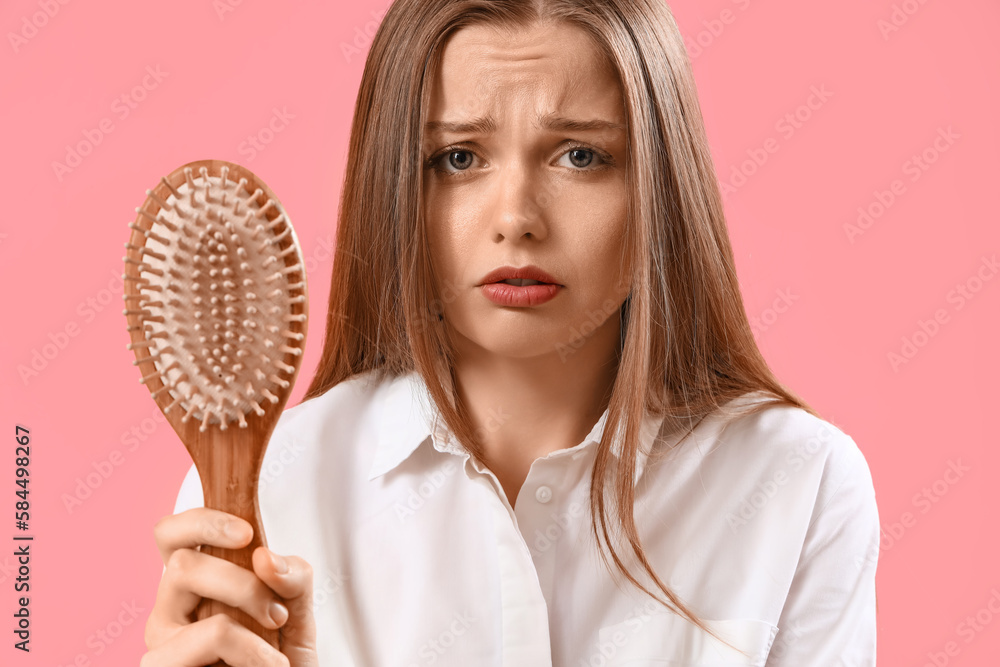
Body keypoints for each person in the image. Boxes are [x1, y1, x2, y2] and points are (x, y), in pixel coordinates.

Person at [141, 1, 880, 665]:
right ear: (397, 186)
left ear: (660, 184)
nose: (516, 216)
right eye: (459, 159)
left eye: (580, 155)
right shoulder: (269, 491)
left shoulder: (800, 482)